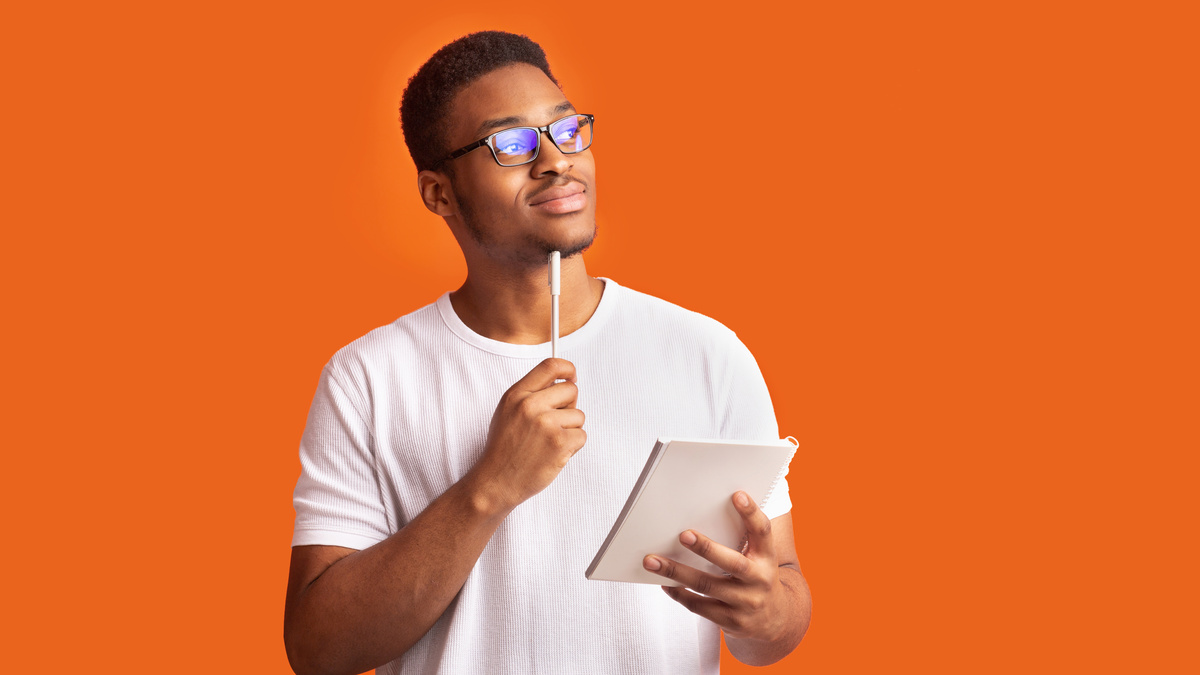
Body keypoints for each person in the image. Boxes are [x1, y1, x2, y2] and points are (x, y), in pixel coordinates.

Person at [283, 31, 812, 675]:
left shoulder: (708, 353)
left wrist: (768, 611)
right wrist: (490, 487)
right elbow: (318, 651)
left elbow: (777, 601)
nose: (556, 160)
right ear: (438, 193)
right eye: (511, 144)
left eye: (565, 129)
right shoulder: (367, 379)